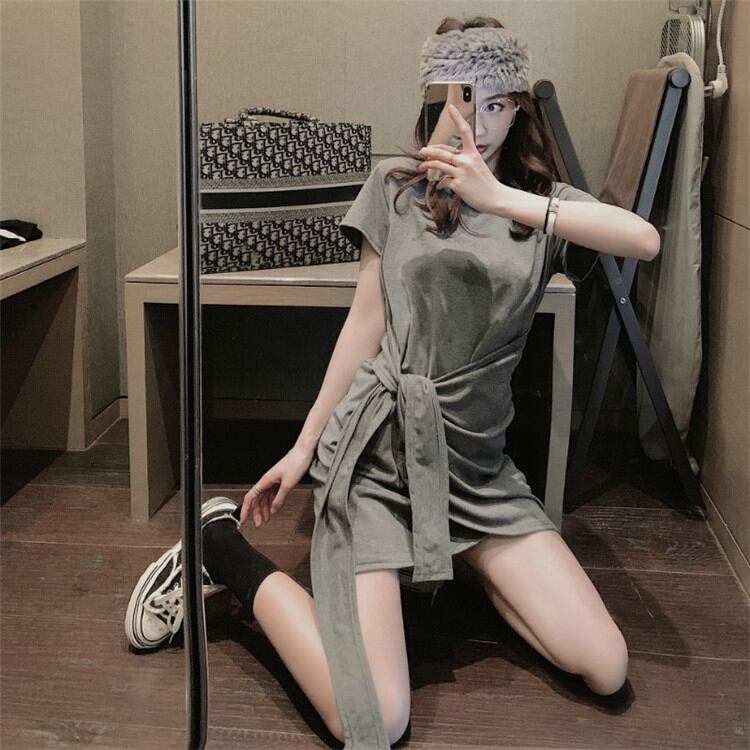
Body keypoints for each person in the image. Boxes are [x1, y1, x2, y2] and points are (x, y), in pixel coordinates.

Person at [125, 16, 658, 749]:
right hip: (379, 463)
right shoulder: (397, 186)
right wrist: (303, 447)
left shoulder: (543, 205)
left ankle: (450, 560)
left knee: (605, 664)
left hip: (476, 472)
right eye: (462, 99)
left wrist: (501, 199)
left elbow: (643, 240)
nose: (478, 122)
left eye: (497, 103)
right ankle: (220, 548)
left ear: (518, 109)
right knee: (376, 718)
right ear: (434, 99)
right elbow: (364, 325)